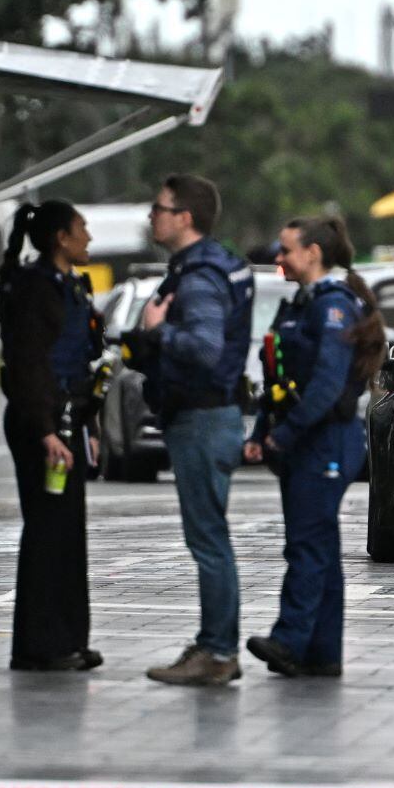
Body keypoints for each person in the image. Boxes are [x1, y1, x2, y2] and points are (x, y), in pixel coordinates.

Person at [124, 173, 254, 687]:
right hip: (209, 414)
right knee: (209, 536)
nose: (151, 216)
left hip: (200, 416)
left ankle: (218, 652)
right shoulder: (216, 265)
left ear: (185, 218)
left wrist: (159, 332)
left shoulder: (199, 276)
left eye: (159, 208)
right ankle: (212, 644)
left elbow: (204, 347)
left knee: (208, 539)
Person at [244, 215, 379, 680]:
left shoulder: (332, 307)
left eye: (286, 250)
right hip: (307, 439)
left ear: (313, 253)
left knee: (307, 545)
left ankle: (289, 640)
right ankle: (322, 653)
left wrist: (285, 434)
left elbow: (324, 386)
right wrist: (263, 429)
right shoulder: (304, 303)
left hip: (325, 440)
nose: (278, 258)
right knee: (318, 545)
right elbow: (281, 380)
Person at [0, 198, 103, 672]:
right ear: (61, 237)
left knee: (68, 531)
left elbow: (82, 363)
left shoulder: (69, 286)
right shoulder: (36, 289)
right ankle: (40, 645)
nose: (89, 238)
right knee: (47, 531)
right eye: (82, 228)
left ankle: (68, 638)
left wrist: (90, 427)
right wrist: (45, 431)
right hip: (45, 424)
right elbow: (29, 365)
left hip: (67, 422)